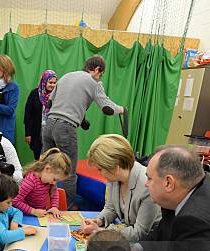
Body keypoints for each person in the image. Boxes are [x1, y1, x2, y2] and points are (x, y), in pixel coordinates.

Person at [42, 55, 125, 208]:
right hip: (65, 128)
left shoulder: (67, 76)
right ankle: (68, 206)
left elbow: (50, 102)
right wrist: (122, 110)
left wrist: (82, 119)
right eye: (101, 74)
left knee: (45, 166)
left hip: (49, 125)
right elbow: (107, 108)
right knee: (69, 171)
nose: (100, 77)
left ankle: (41, 201)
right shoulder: (94, 82)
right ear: (97, 70)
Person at [80, 134, 161, 242]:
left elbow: (140, 233)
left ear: (115, 167)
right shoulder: (114, 177)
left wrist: (101, 231)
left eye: (100, 169)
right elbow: (110, 208)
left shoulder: (147, 186)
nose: (99, 173)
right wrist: (98, 221)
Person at [12, 148, 71, 217]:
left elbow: (54, 193)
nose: (54, 183)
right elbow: (15, 201)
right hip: (25, 215)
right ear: (47, 169)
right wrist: (33, 211)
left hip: (39, 215)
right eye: (55, 179)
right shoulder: (30, 182)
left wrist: (54, 207)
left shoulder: (49, 181)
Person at [24, 70, 57, 159]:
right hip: (37, 131)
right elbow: (28, 115)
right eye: (50, 82)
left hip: (52, 131)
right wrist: (28, 133)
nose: (52, 85)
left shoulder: (57, 95)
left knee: (51, 156)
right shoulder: (34, 94)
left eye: (54, 83)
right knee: (38, 157)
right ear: (44, 81)